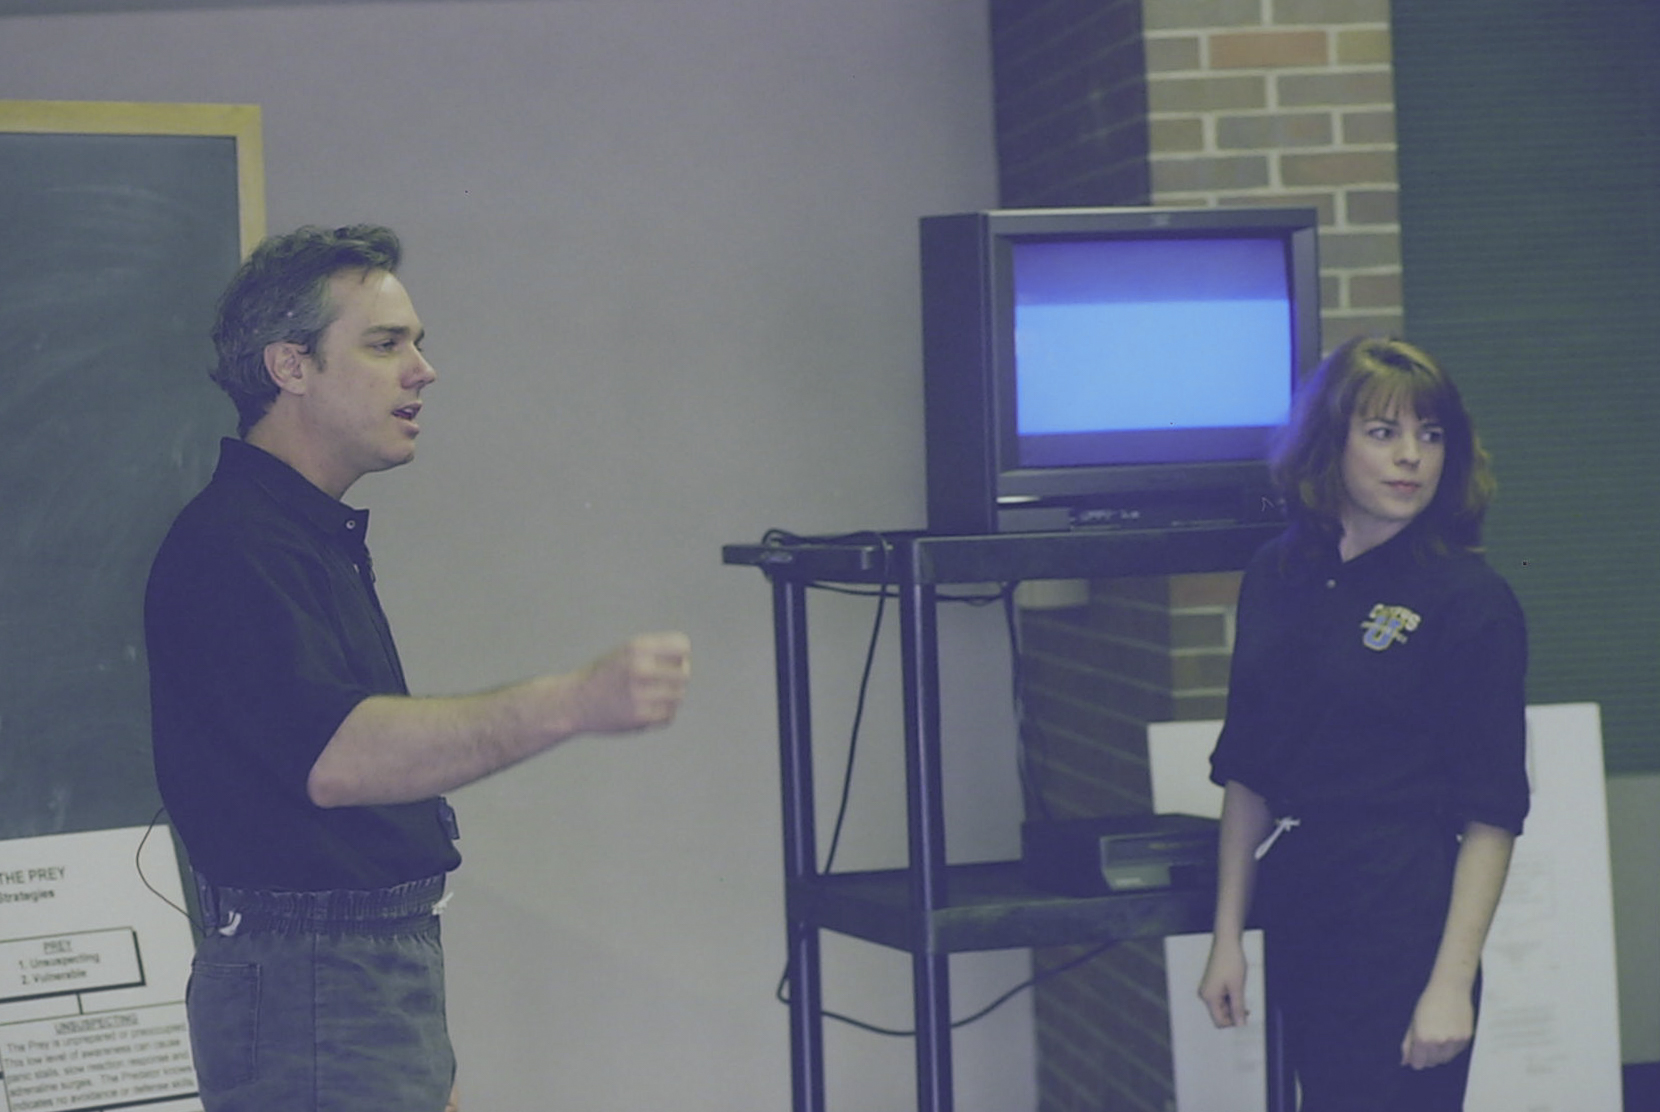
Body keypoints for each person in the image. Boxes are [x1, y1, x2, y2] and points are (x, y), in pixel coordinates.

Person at [145, 224, 691, 1112]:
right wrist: (575, 702)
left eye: (417, 344)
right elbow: (338, 757)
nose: (423, 371)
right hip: (314, 988)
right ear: (290, 366)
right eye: (385, 344)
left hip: (356, 979)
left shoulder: (301, 536)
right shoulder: (235, 548)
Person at [1196, 336, 1529, 1110]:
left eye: (1430, 434)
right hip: (1305, 910)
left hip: (1404, 918)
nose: (1411, 456)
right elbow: (1249, 771)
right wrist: (1227, 938)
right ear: (1330, 442)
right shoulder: (1277, 574)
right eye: (1383, 432)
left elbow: (1492, 813)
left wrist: (1450, 985)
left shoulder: (1469, 599)